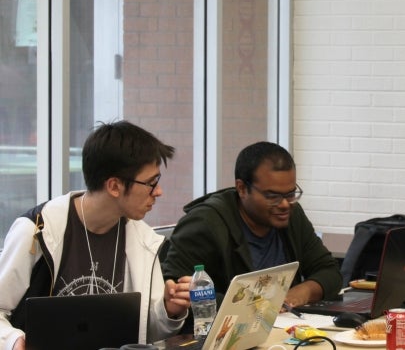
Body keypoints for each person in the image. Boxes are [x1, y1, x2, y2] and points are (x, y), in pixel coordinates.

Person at [0, 121, 192, 349]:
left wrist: (169, 311)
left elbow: (146, 333)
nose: (158, 192)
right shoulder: (37, 230)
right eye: (151, 183)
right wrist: (13, 341)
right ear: (114, 186)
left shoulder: (142, 239)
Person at [162, 141, 342, 324]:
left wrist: (298, 294)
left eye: (290, 194)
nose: (284, 204)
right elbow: (176, 295)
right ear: (241, 188)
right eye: (272, 196)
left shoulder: (291, 216)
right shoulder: (205, 223)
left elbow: (329, 271)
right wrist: (257, 305)